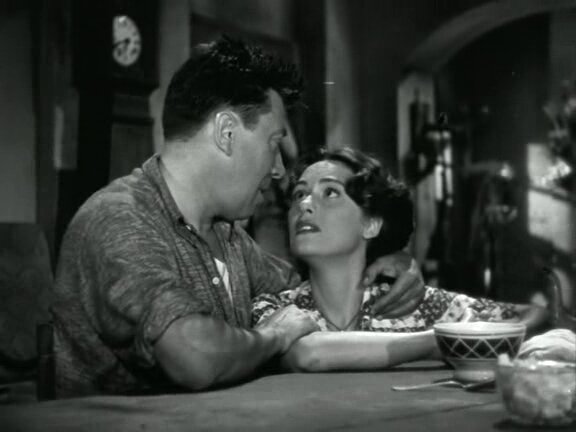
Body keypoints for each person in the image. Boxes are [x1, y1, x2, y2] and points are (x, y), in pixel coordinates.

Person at [51, 37, 425, 397]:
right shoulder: (119, 219)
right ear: (227, 133)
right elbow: (194, 357)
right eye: (274, 144)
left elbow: (312, 288)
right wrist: (274, 335)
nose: (279, 170)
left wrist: (387, 263)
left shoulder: (228, 237)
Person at [252, 147, 550, 372]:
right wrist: (440, 341)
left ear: (371, 223)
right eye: (299, 194)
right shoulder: (277, 308)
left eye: (330, 192)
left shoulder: (419, 305)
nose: (304, 204)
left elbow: (533, 315)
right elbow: (307, 354)